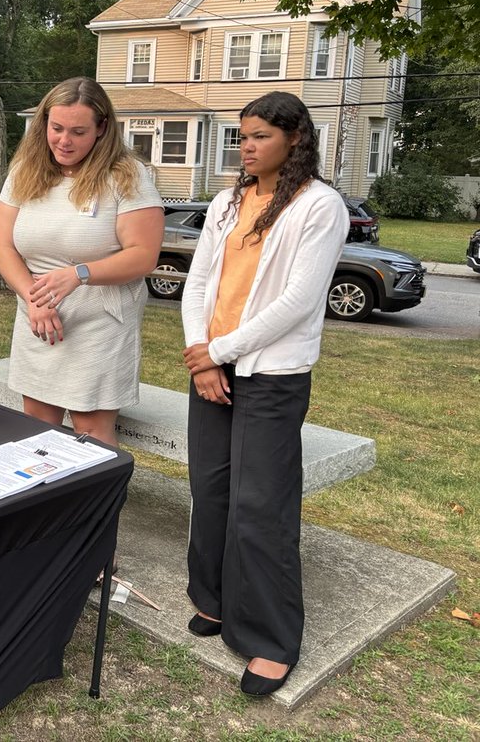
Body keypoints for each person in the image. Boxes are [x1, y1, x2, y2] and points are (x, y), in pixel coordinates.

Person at [181, 91, 348, 697]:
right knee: (211, 490)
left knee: (261, 506)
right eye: (243, 137)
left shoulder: (319, 206)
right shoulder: (228, 202)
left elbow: (298, 301)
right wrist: (201, 352)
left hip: (271, 375)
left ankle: (271, 640)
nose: (246, 148)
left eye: (260, 137)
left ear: (295, 138)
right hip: (211, 367)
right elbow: (199, 280)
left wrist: (219, 351)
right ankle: (214, 598)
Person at [0, 77, 164, 445]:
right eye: (56, 128)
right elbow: (4, 248)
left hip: (100, 323)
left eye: (78, 131)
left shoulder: (127, 176)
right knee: (36, 428)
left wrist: (80, 274)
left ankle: (97, 488)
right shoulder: (24, 171)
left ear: (102, 128)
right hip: (38, 317)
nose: (64, 140)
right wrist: (34, 300)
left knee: (91, 431)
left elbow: (143, 255)